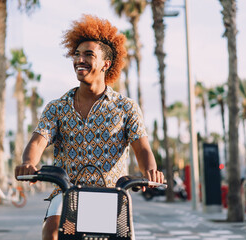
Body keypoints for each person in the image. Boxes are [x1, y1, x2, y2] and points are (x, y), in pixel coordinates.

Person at [15, 14, 164, 240]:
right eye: (77, 54)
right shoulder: (57, 107)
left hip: (108, 196)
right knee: (52, 232)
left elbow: (142, 149)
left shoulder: (125, 108)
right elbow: (37, 141)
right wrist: (28, 163)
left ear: (106, 63)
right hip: (67, 194)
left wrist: (149, 170)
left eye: (88, 55)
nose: (79, 60)